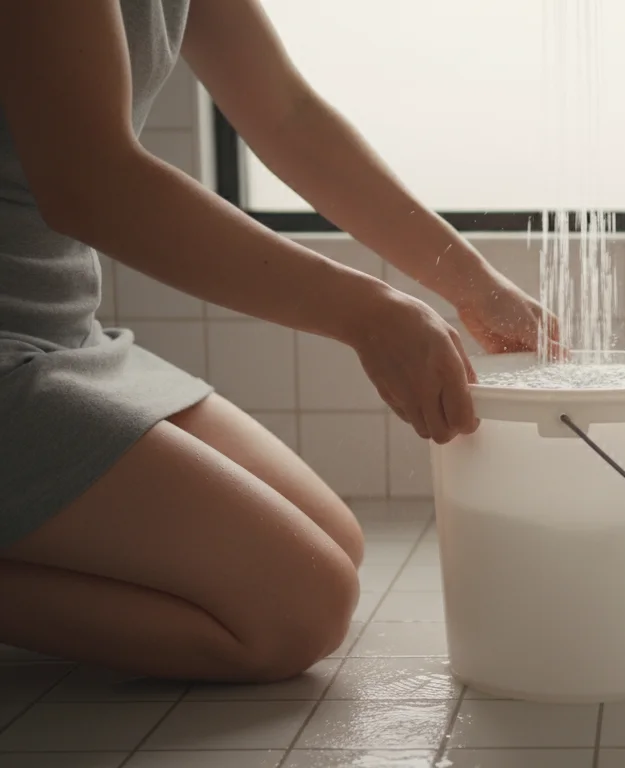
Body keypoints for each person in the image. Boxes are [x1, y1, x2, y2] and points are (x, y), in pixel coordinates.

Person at [0, 0, 557, 682]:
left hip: (60, 336)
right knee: (296, 612)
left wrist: (470, 282)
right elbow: (92, 183)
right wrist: (367, 314)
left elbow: (286, 113)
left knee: (333, 543)